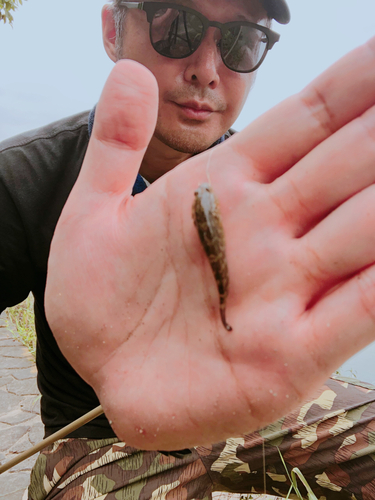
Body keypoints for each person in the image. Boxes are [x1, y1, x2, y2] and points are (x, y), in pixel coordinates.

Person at [1, 0, 375, 498]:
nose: (206, 70)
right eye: (174, 26)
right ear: (114, 29)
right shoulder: (23, 176)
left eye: (241, 40)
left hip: (251, 407)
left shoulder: (266, 188)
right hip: (98, 434)